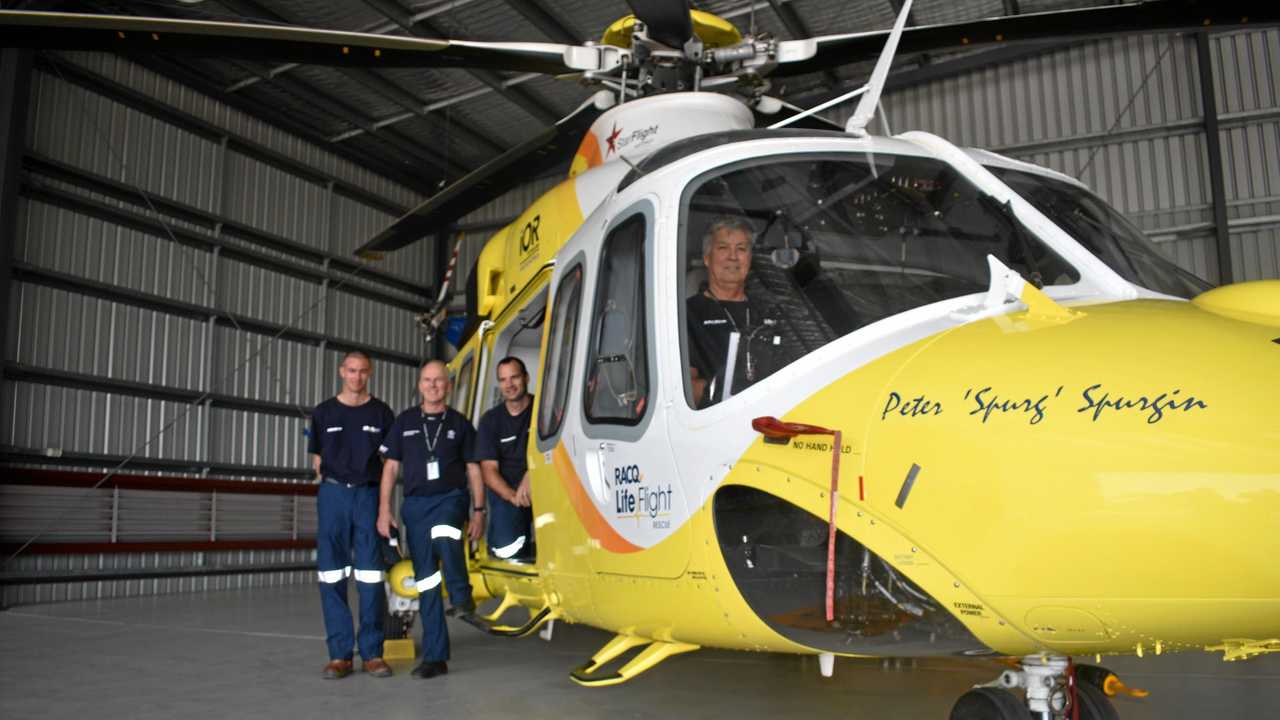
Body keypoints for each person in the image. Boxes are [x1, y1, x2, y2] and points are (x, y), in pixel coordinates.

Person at [376, 360, 485, 680]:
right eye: (427, 380)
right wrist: (384, 509)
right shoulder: (405, 422)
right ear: (420, 384)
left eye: (439, 380)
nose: (433, 385)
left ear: (449, 386)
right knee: (426, 581)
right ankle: (435, 657)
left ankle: (462, 597)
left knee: (444, 533)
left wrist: (479, 511)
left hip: (450, 499)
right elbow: (391, 468)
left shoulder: (461, 424)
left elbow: (474, 470)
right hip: (415, 506)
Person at [307, 350, 396, 680]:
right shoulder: (323, 413)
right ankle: (340, 656)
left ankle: (373, 653)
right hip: (332, 495)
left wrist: (385, 507)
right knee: (332, 575)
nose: (357, 377)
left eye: (363, 372)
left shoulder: (382, 412)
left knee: (371, 575)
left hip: (368, 495)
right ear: (342, 372)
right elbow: (317, 460)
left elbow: (391, 465)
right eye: (351, 371)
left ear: (369, 374)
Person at [686, 216, 774, 407]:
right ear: (707, 258)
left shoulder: (769, 311)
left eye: (741, 249)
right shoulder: (687, 313)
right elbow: (683, 387)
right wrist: (728, 395)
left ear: (749, 259)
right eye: (723, 248)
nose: (733, 257)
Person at [474, 356, 535, 562]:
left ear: (526, 378)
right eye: (503, 379)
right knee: (506, 549)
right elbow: (488, 471)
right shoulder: (490, 420)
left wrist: (532, 474)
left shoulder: (542, 410)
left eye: (514, 377)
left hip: (542, 482)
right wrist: (513, 497)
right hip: (507, 491)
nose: (509, 384)